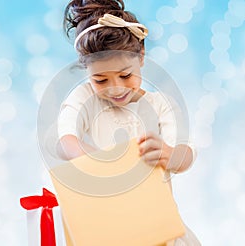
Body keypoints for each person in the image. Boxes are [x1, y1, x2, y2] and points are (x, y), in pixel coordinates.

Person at [57, 0, 201, 245]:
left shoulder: (160, 105)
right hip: (107, 228)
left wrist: (168, 153)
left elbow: (185, 154)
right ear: (86, 71)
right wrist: (101, 163)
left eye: (126, 75)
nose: (116, 88)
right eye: (101, 80)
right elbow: (65, 142)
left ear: (141, 57)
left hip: (157, 227)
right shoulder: (85, 99)